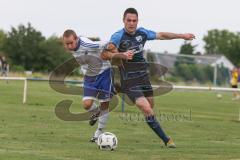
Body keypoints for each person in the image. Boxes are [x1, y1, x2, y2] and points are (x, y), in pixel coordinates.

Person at [102, 7, 195, 148]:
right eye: (129, 20)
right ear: (123, 21)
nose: (131, 23)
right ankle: (167, 140)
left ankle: (116, 91)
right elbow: (104, 54)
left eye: (134, 20)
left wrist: (182, 36)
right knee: (145, 107)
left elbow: (162, 35)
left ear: (137, 21)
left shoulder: (142, 33)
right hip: (128, 78)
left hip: (143, 76)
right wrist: (121, 55)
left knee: (150, 106)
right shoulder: (117, 36)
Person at [62, 29, 132, 142]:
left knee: (104, 104)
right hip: (89, 77)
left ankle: (98, 133)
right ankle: (97, 111)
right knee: (86, 105)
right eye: (67, 44)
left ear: (76, 39)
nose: (69, 46)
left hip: (104, 73)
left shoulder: (86, 44)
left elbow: (109, 44)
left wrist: (121, 55)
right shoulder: (72, 48)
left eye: (71, 43)